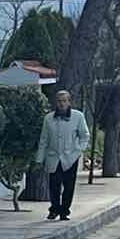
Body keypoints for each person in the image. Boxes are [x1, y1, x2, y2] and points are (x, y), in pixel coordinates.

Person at [36, 89, 90, 222]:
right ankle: (54, 209)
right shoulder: (48, 118)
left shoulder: (78, 116)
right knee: (54, 185)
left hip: (70, 158)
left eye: (64, 101)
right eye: (59, 101)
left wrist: (78, 151)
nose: (61, 104)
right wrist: (39, 159)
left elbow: (85, 136)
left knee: (69, 186)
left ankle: (64, 211)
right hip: (53, 157)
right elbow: (44, 140)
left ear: (69, 102)